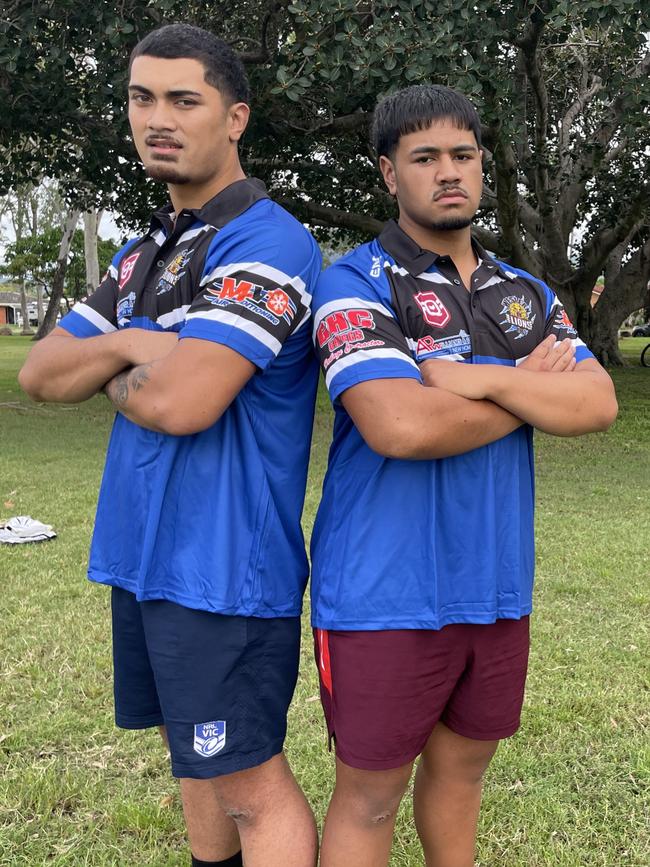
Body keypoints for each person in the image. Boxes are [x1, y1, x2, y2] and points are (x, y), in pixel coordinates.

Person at [19, 24, 321, 867]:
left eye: (183, 99)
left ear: (234, 118)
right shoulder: (147, 251)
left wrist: (119, 356)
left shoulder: (266, 242)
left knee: (249, 783)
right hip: (145, 553)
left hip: (226, 567)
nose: (157, 118)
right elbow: (43, 373)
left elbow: (187, 401)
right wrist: (132, 345)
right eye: (140, 98)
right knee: (196, 764)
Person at [310, 84, 618, 867]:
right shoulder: (356, 281)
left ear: (481, 166)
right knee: (371, 795)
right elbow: (401, 425)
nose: (448, 172)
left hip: (496, 584)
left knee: (462, 773)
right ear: (388, 173)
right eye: (424, 158)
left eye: (463, 155)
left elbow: (596, 402)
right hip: (383, 592)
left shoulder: (525, 292)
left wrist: (473, 378)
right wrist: (528, 387)